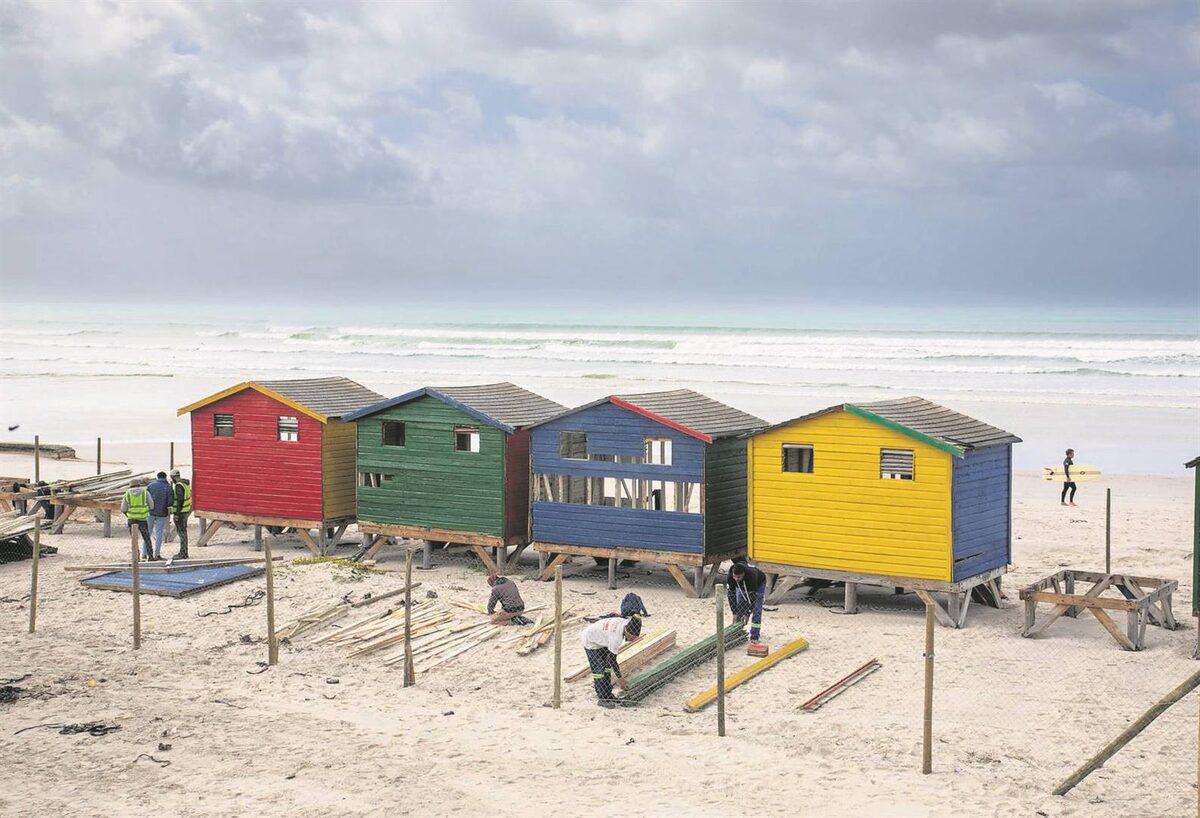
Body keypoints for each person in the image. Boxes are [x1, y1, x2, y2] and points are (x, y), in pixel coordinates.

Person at [580, 614, 642, 707]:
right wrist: (620, 678)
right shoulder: (616, 638)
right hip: (590, 641)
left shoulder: (625, 622)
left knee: (607, 668)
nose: (630, 641)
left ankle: (608, 695)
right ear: (627, 632)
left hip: (602, 639)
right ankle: (602, 699)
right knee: (599, 670)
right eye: (631, 638)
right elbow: (612, 659)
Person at [727, 557, 767, 645]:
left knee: (756, 611)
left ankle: (755, 636)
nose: (736, 579)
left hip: (758, 585)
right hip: (741, 587)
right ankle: (737, 633)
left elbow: (753, 598)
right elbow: (731, 595)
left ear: (743, 574)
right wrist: (734, 612)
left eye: (739, 577)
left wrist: (747, 614)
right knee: (739, 606)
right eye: (735, 577)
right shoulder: (731, 577)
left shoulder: (752, 576)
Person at [121, 478, 153, 559]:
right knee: (146, 538)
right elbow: (152, 506)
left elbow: (123, 509)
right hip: (143, 519)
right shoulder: (145, 493)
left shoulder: (127, 494)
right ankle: (150, 556)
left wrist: (128, 515)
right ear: (139, 485)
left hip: (131, 519)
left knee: (134, 540)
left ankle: (136, 557)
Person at [145, 471, 172, 560]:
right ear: (165, 477)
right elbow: (170, 502)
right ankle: (157, 554)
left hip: (150, 512)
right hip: (161, 513)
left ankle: (144, 553)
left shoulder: (150, 486)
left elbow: (146, 498)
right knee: (159, 533)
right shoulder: (168, 487)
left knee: (147, 533)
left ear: (157, 477)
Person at [170, 469, 191, 560]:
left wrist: (177, 513)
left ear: (173, 477)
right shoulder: (185, 484)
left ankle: (183, 553)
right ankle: (184, 552)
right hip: (185, 511)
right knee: (184, 533)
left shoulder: (179, 486)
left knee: (181, 533)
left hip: (181, 512)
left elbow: (179, 500)